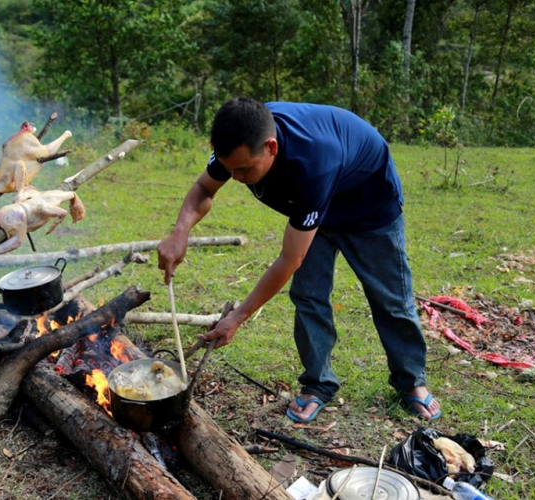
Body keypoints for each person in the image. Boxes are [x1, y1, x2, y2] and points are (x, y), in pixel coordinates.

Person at [157, 97, 441, 422]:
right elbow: (203, 189)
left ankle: (411, 382)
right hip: (310, 208)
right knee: (308, 295)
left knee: (390, 299)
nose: (234, 177)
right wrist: (180, 232)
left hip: (369, 206)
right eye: (229, 168)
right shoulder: (241, 138)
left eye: (244, 169)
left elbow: (289, 259)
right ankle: (318, 384)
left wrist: (236, 318)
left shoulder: (314, 160)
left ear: (272, 147)